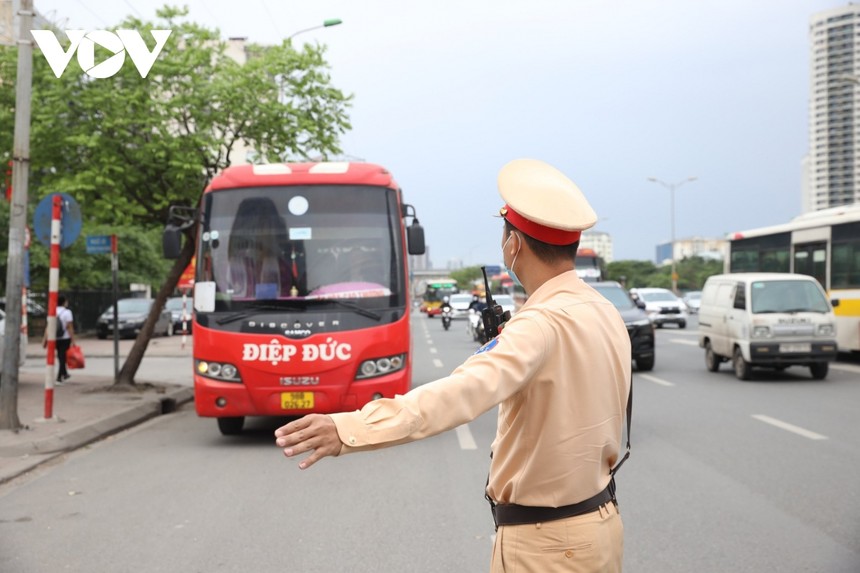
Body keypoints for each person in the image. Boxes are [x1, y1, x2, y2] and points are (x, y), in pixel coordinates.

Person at [274, 159, 632, 572]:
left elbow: (457, 394)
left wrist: (349, 429)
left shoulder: (538, 325)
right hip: (599, 526)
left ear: (513, 244)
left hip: (547, 546)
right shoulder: (603, 310)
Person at [42, 294, 75, 384]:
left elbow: (48, 327)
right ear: (64, 302)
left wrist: (45, 340)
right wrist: (73, 339)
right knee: (62, 357)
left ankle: (64, 373)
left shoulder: (51, 312)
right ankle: (59, 377)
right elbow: (69, 327)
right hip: (65, 338)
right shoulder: (67, 312)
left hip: (54, 338)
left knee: (61, 356)